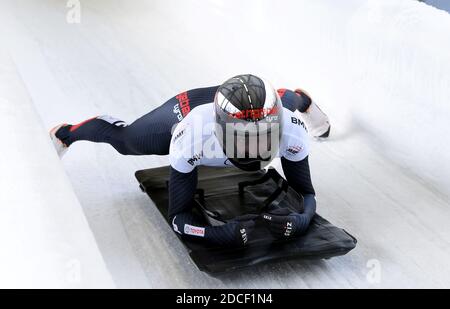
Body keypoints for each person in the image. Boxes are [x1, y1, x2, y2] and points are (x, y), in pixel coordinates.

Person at [50, 74, 330, 247]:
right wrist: (215, 235)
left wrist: (303, 219)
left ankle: (297, 98)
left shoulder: (291, 128)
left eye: (265, 135)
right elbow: (178, 218)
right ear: (220, 132)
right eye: (245, 139)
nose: (255, 149)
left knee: (287, 102)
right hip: (185, 109)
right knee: (126, 142)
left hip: (240, 108)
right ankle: (66, 134)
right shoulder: (193, 135)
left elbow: (306, 192)